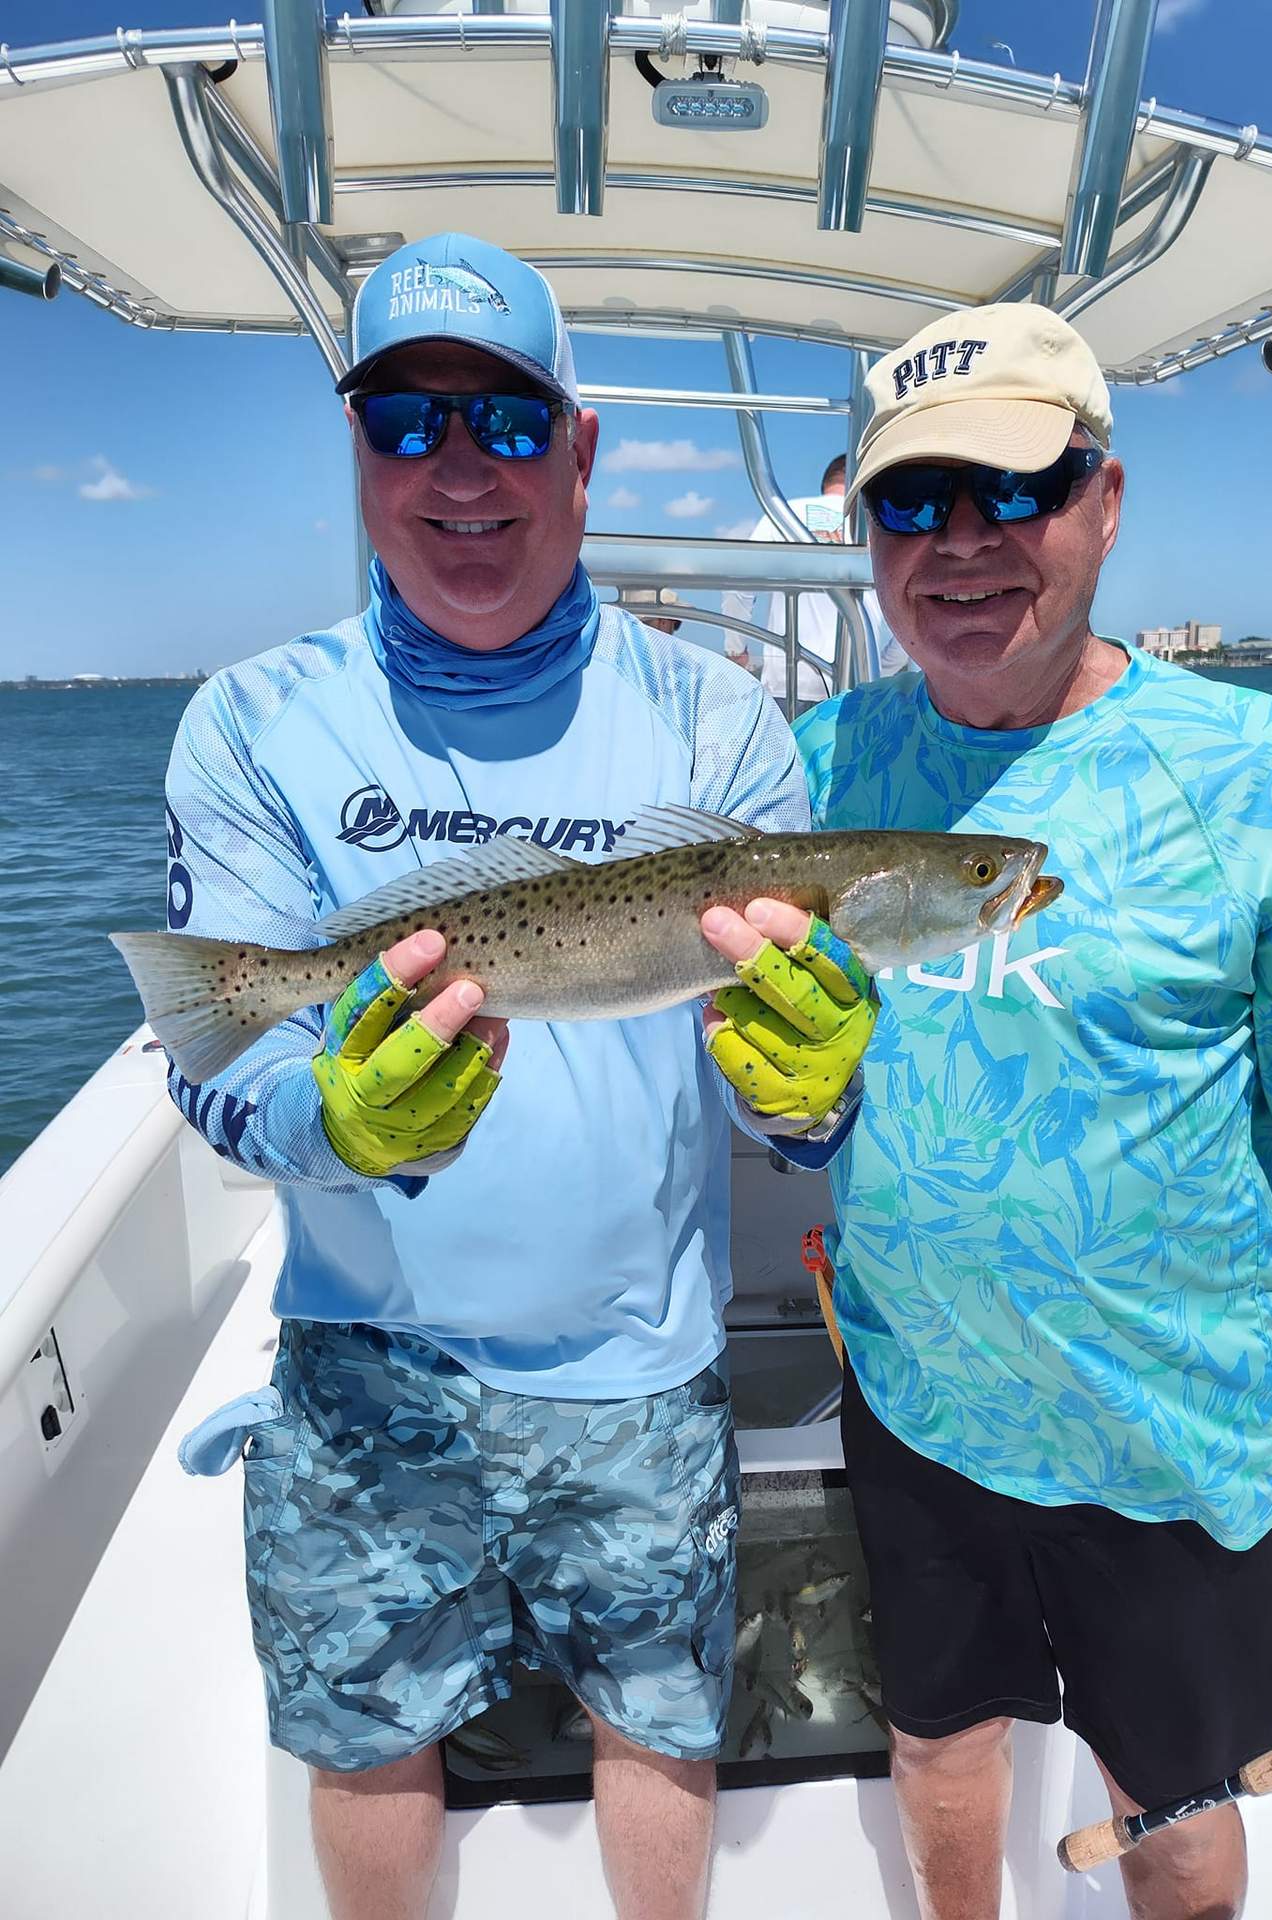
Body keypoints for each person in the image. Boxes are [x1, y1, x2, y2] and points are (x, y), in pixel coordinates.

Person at [161, 233, 876, 1920]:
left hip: (642, 1362)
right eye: (403, 423)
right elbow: (217, 1073)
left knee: (663, 1718)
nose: (455, 466)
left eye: (501, 418)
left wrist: (812, 1097)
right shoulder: (252, 722)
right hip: (367, 1364)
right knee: (367, 1738)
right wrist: (323, 1118)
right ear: (356, 456)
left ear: (580, 449)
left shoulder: (719, 722)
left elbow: (787, 1085)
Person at [777, 303, 1272, 1920]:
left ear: (1107, 499)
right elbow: (777, 1083)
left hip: (1162, 1431)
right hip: (918, 1398)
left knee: (1180, 1800)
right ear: (864, 528)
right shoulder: (812, 765)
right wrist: (786, 1114)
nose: (958, 544)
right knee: (936, 1745)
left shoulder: (1248, 770)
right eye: (906, 503)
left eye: (1013, 490)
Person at [721, 453, 909, 702]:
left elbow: (738, 583)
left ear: (825, 483)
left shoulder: (783, 514)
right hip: (861, 686)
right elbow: (909, 598)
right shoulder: (881, 523)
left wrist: (736, 648)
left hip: (788, 682)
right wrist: (880, 667)